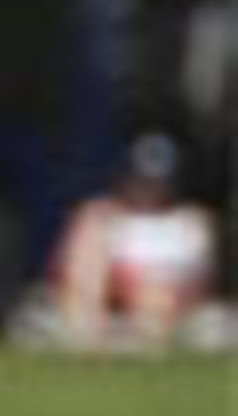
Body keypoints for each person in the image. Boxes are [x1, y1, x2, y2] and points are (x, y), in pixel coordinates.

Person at [43, 132, 220, 351]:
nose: (149, 190)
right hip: (111, 314)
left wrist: (158, 304)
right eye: (142, 181)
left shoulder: (192, 222)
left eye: (158, 183)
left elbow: (198, 286)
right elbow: (81, 279)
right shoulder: (102, 216)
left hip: (175, 317)